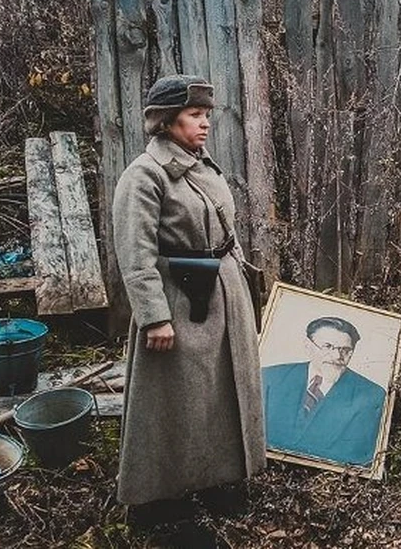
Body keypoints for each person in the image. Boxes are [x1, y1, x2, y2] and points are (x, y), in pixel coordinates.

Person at [113, 74, 266, 530]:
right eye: (194, 116)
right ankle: (153, 500)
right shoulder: (144, 175)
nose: (204, 125)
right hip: (178, 304)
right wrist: (155, 317)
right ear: (166, 121)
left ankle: (217, 480)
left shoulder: (201, 164)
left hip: (222, 296)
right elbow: (134, 254)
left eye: (206, 116)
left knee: (220, 394)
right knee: (172, 404)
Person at [262, 316, 387, 467]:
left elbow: (360, 460)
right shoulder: (269, 377)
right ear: (308, 345)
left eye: (345, 350)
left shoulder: (372, 396)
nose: (337, 356)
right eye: (328, 346)